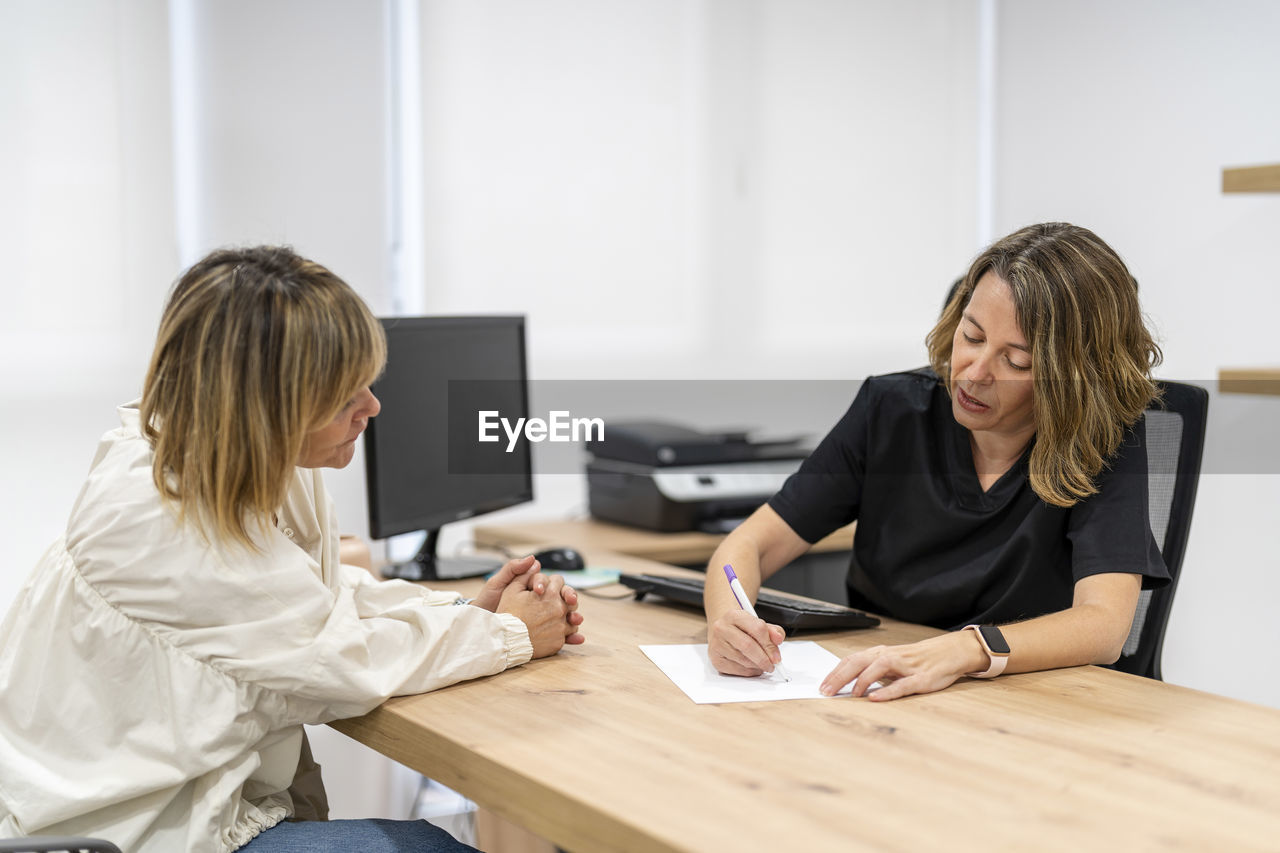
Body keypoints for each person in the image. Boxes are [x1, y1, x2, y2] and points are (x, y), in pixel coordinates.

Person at [0, 246, 583, 852]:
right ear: (263, 409)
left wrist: (465, 614)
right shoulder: (169, 521)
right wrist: (508, 636)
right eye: (342, 398)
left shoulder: (243, 457)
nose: (372, 408)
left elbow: (310, 595)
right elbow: (339, 660)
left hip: (180, 796)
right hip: (124, 832)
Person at [703, 222, 1168, 701]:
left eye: (1017, 362)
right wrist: (727, 623)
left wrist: (965, 650)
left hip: (1031, 700)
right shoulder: (892, 410)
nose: (975, 371)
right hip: (883, 689)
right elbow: (750, 545)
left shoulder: (1104, 438)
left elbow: (1105, 626)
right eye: (971, 336)